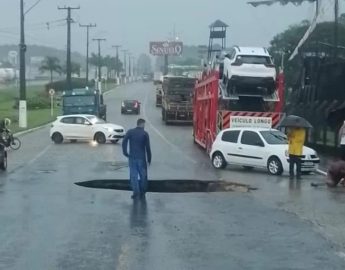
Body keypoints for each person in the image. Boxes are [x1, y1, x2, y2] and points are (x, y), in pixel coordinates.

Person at [122, 118, 152, 199]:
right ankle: (142, 192)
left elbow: (124, 141)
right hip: (141, 159)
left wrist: (125, 152)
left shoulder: (130, 132)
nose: (144, 126)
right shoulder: (145, 134)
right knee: (143, 176)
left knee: (133, 176)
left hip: (132, 158)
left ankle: (136, 193)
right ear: (142, 124)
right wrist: (149, 159)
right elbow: (147, 148)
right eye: (144, 124)